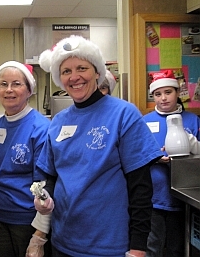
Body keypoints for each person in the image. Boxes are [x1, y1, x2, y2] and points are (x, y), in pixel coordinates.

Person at [32, 35, 164, 257]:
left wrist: (138, 247)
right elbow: (51, 177)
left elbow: (141, 187)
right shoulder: (59, 122)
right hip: (63, 241)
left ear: (96, 72)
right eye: (66, 71)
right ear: (59, 78)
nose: (75, 77)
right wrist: (43, 198)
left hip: (109, 246)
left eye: (82, 68)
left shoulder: (123, 114)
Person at [0, 61, 51, 257]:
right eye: (3, 84)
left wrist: (39, 236)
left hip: (27, 221)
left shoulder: (40, 129)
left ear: (29, 90)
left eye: (16, 84)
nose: (9, 90)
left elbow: (45, 186)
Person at [143, 77, 200, 257]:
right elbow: (135, 153)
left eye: (168, 92)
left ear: (177, 93)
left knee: (178, 248)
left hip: (184, 199)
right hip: (154, 196)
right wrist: (155, 157)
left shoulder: (192, 120)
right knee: (152, 246)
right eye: (158, 94)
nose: (163, 98)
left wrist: (190, 147)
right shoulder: (144, 121)